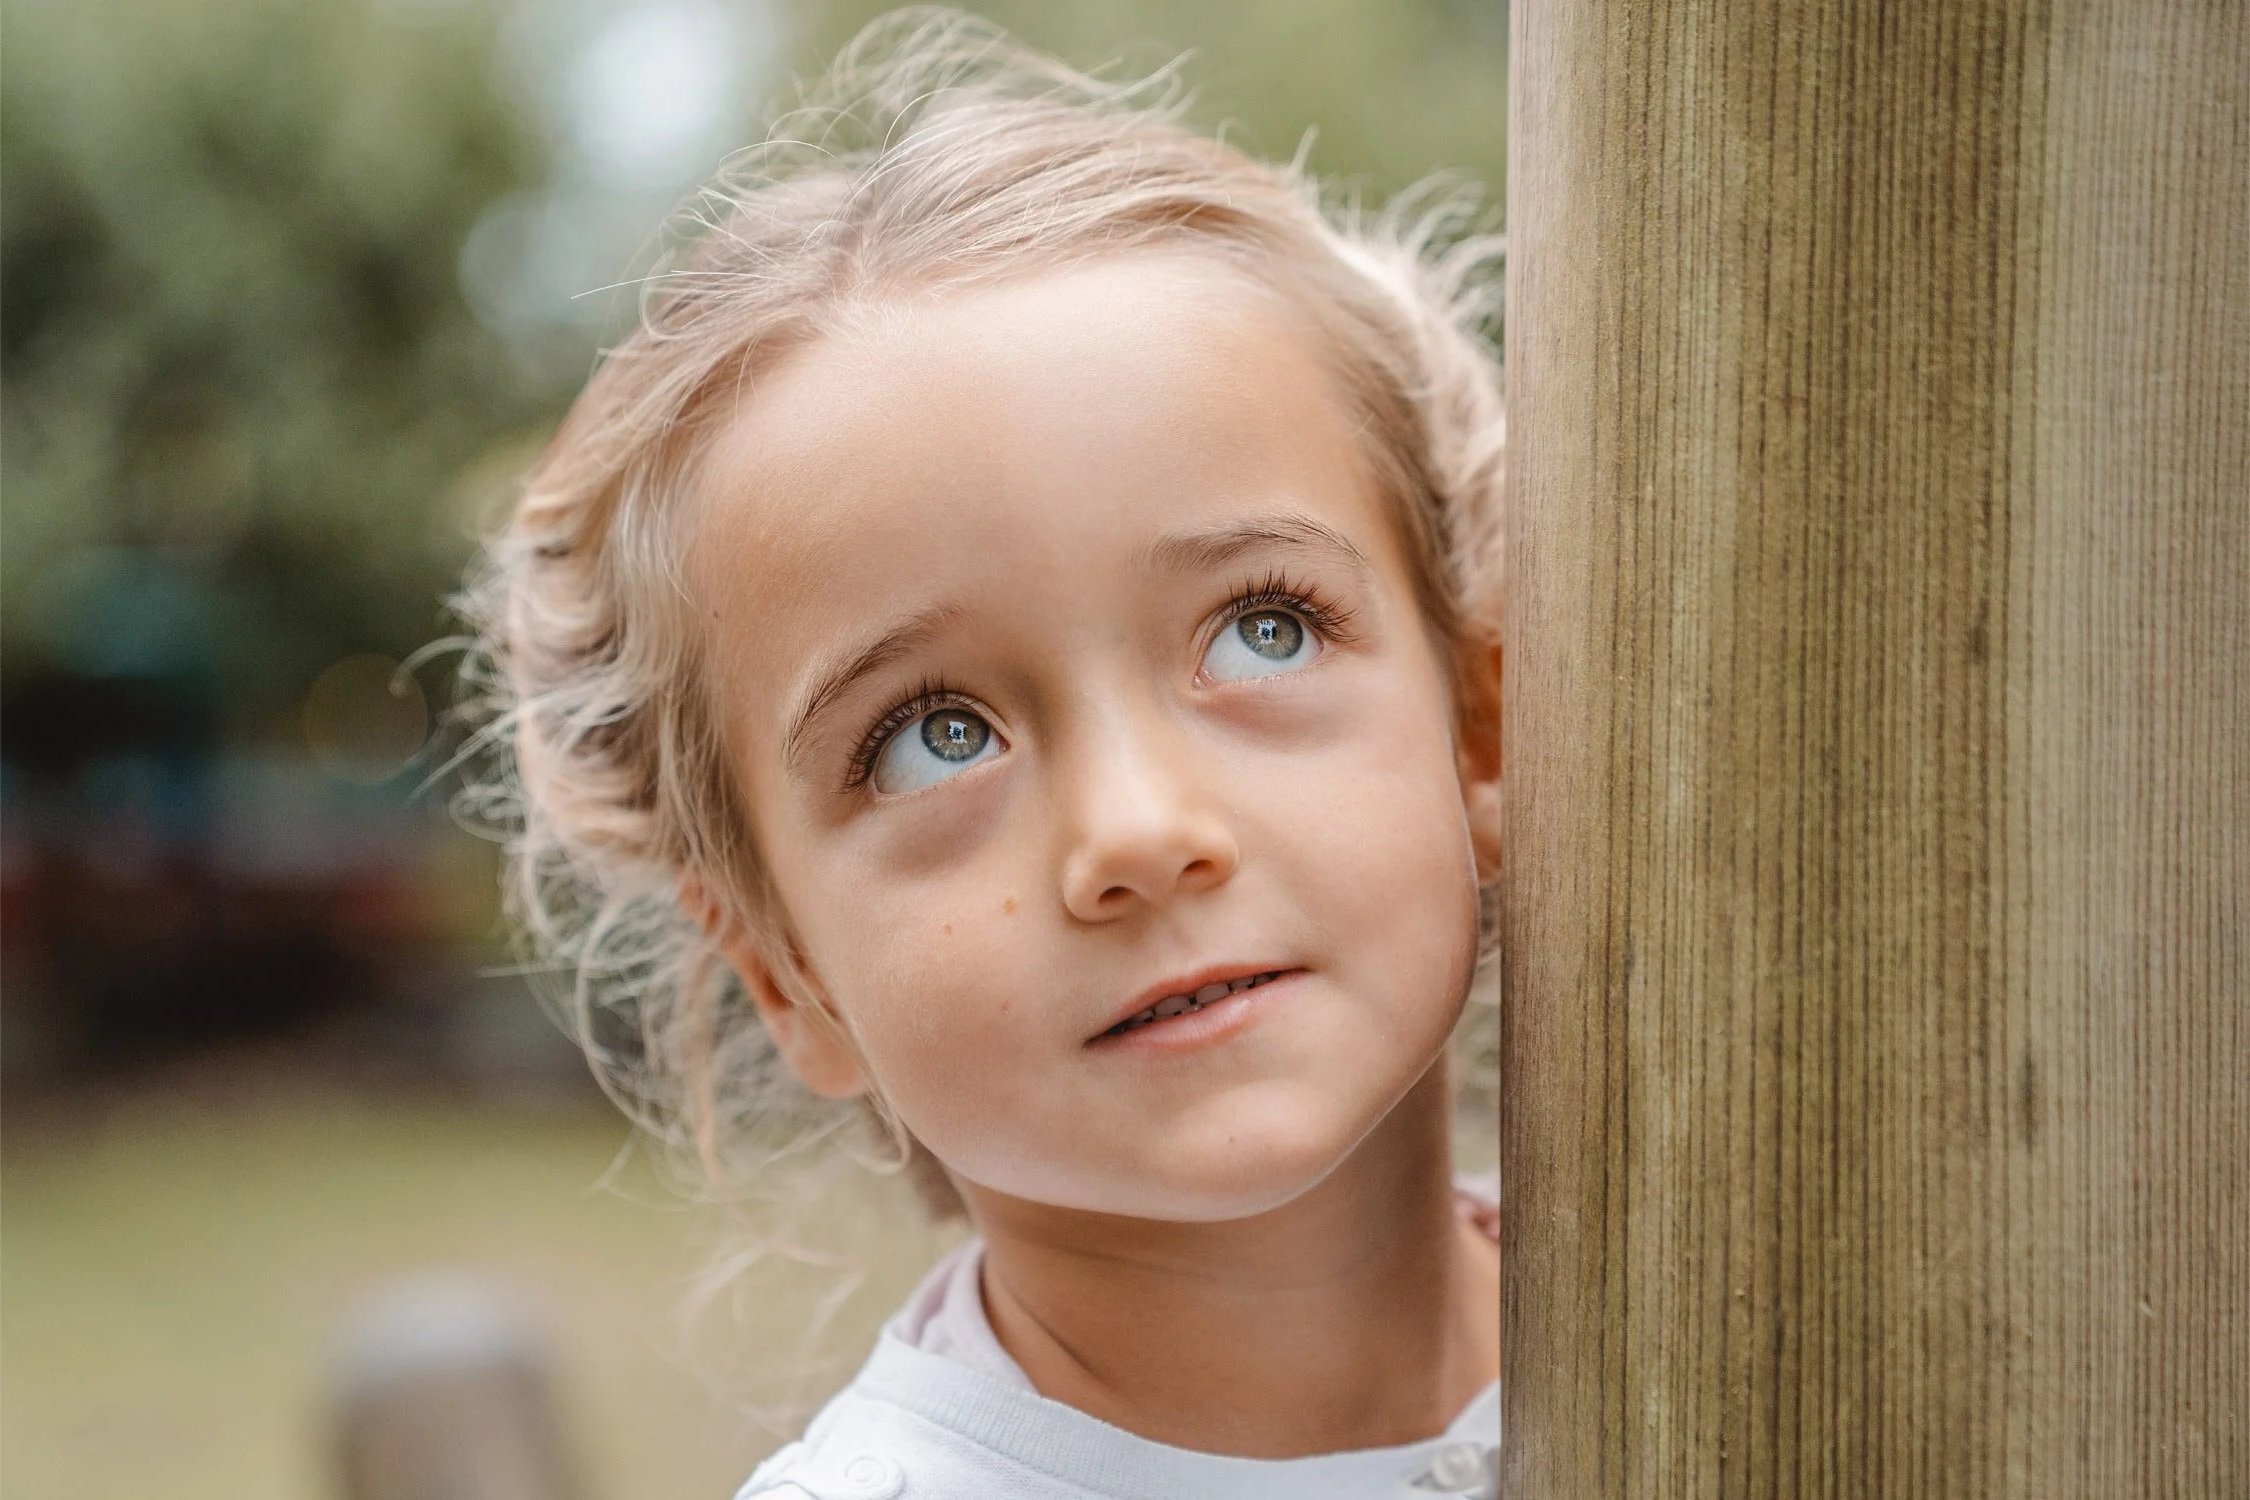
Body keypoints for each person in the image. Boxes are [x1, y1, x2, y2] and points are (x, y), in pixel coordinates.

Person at [452, 8, 1506, 1496]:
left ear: (1480, 718)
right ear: (784, 970)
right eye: (934, 738)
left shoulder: (1810, 1330)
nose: (1136, 832)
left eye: (1260, 630)